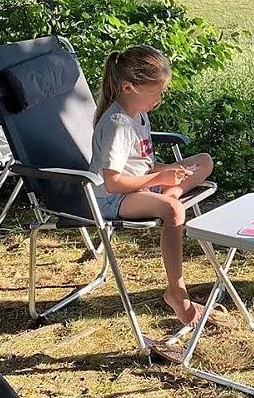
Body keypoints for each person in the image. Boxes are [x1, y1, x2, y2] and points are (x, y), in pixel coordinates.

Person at [89, 45, 213, 327]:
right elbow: (113, 181)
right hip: (113, 198)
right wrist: (160, 178)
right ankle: (177, 293)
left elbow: (142, 164)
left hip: (143, 185)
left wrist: (167, 174)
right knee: (172, 210)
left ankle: (172, 193)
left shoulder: (139, 114)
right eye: (156, 92)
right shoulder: (117, 125)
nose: (160, 98)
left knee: (203, 161)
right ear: (129, 87)